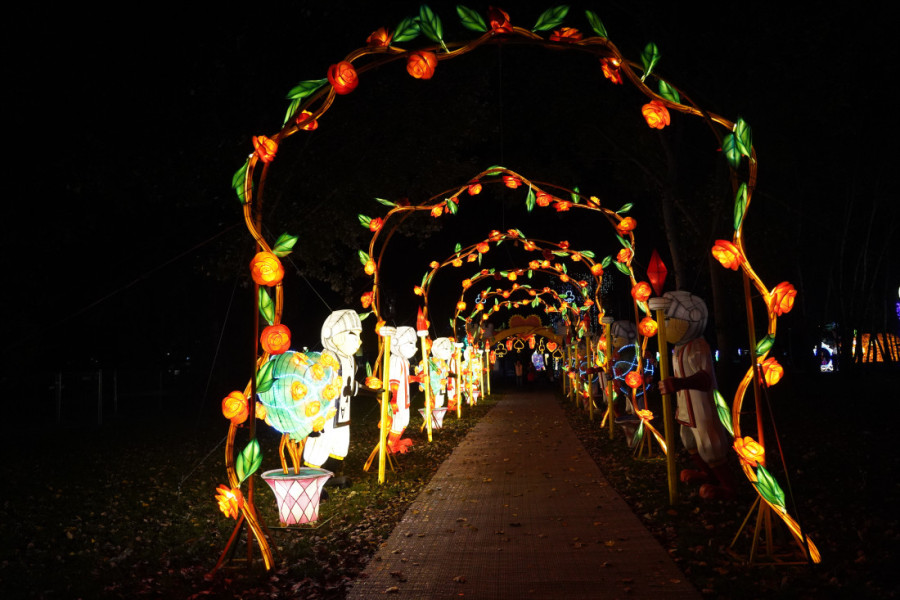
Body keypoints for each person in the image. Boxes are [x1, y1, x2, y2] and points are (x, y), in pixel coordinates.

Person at [658, 291, 735, 500]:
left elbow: (704, 378)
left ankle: (728, 486)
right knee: (689, 441)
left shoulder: (698, 346)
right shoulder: (677, 349)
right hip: (685, 405)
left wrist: (679, 383)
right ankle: (707, 474)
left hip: (701, 406)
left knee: (710, 443)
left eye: (669, 319)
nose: (664, 325)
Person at [303, 310, 380, 471]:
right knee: (318, 450)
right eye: (353, 334)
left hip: (343, 415)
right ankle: (312, 479)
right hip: (326, 416)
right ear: (335, 335)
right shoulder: (327, 359)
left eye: (359, 335)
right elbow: (316, 388)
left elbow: (350, 386)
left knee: (340, 448)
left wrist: (374, 392)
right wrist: (313, 420)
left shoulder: (349, 359)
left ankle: (329, 475)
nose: (359, 341)